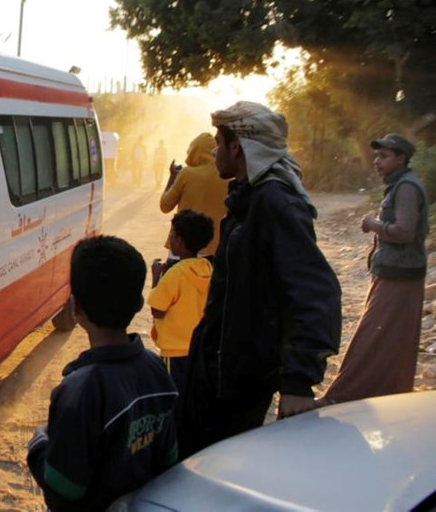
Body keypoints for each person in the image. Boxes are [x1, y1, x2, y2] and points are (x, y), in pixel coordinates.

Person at [179, 101, 341, 459]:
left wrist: (299, 380)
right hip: (218, 367)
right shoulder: (249, 197)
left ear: (238, 147)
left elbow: (318, 293)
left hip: (241, 378)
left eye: (220, 144)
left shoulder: (275, 202)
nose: (216, 151)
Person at [27, 235, 178, 511]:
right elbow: (168, 458)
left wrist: (39, 444)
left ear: (75, 307)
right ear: (139, 303)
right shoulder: (158, 370)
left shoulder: (79, 392)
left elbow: (63, 490)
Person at [321, 133, 429, 404]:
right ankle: (388, 394)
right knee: (391, 337)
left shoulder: (406, 187)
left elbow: (404, 231)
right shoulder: (400, 184)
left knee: (372, 335)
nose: (377, 161)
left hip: (399, 275)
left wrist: (373, 224)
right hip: (395, 271)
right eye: (377, 155)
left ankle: (342, 396)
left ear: (401, 158)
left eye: (384, 156)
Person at [148, 210, 215, 411]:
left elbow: (157, 310)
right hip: (200, 348)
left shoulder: (175, 273)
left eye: (172, 234)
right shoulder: (207, 268)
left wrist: (156, 277)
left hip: (175, 351)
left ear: (179, 241)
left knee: (174, 399)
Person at [159, 132, 229, 263]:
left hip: (181, 250)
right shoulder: (228, 177)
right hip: (214, 251)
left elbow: (165, 206)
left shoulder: (186, 174)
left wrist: (172, 177)